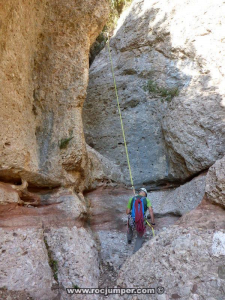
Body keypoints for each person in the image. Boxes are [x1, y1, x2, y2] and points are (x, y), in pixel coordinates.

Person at [126, 187, 155, 253]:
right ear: (145, 194)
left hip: (132, 219)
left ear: (139, 192)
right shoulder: (146, 200)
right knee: (139, 236)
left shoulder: (132, 198)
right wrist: (152, 223)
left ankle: (129, 240)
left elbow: (127, 212)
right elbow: (151, 211)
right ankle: (135, 252)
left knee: (130, 228)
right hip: (141, 221)